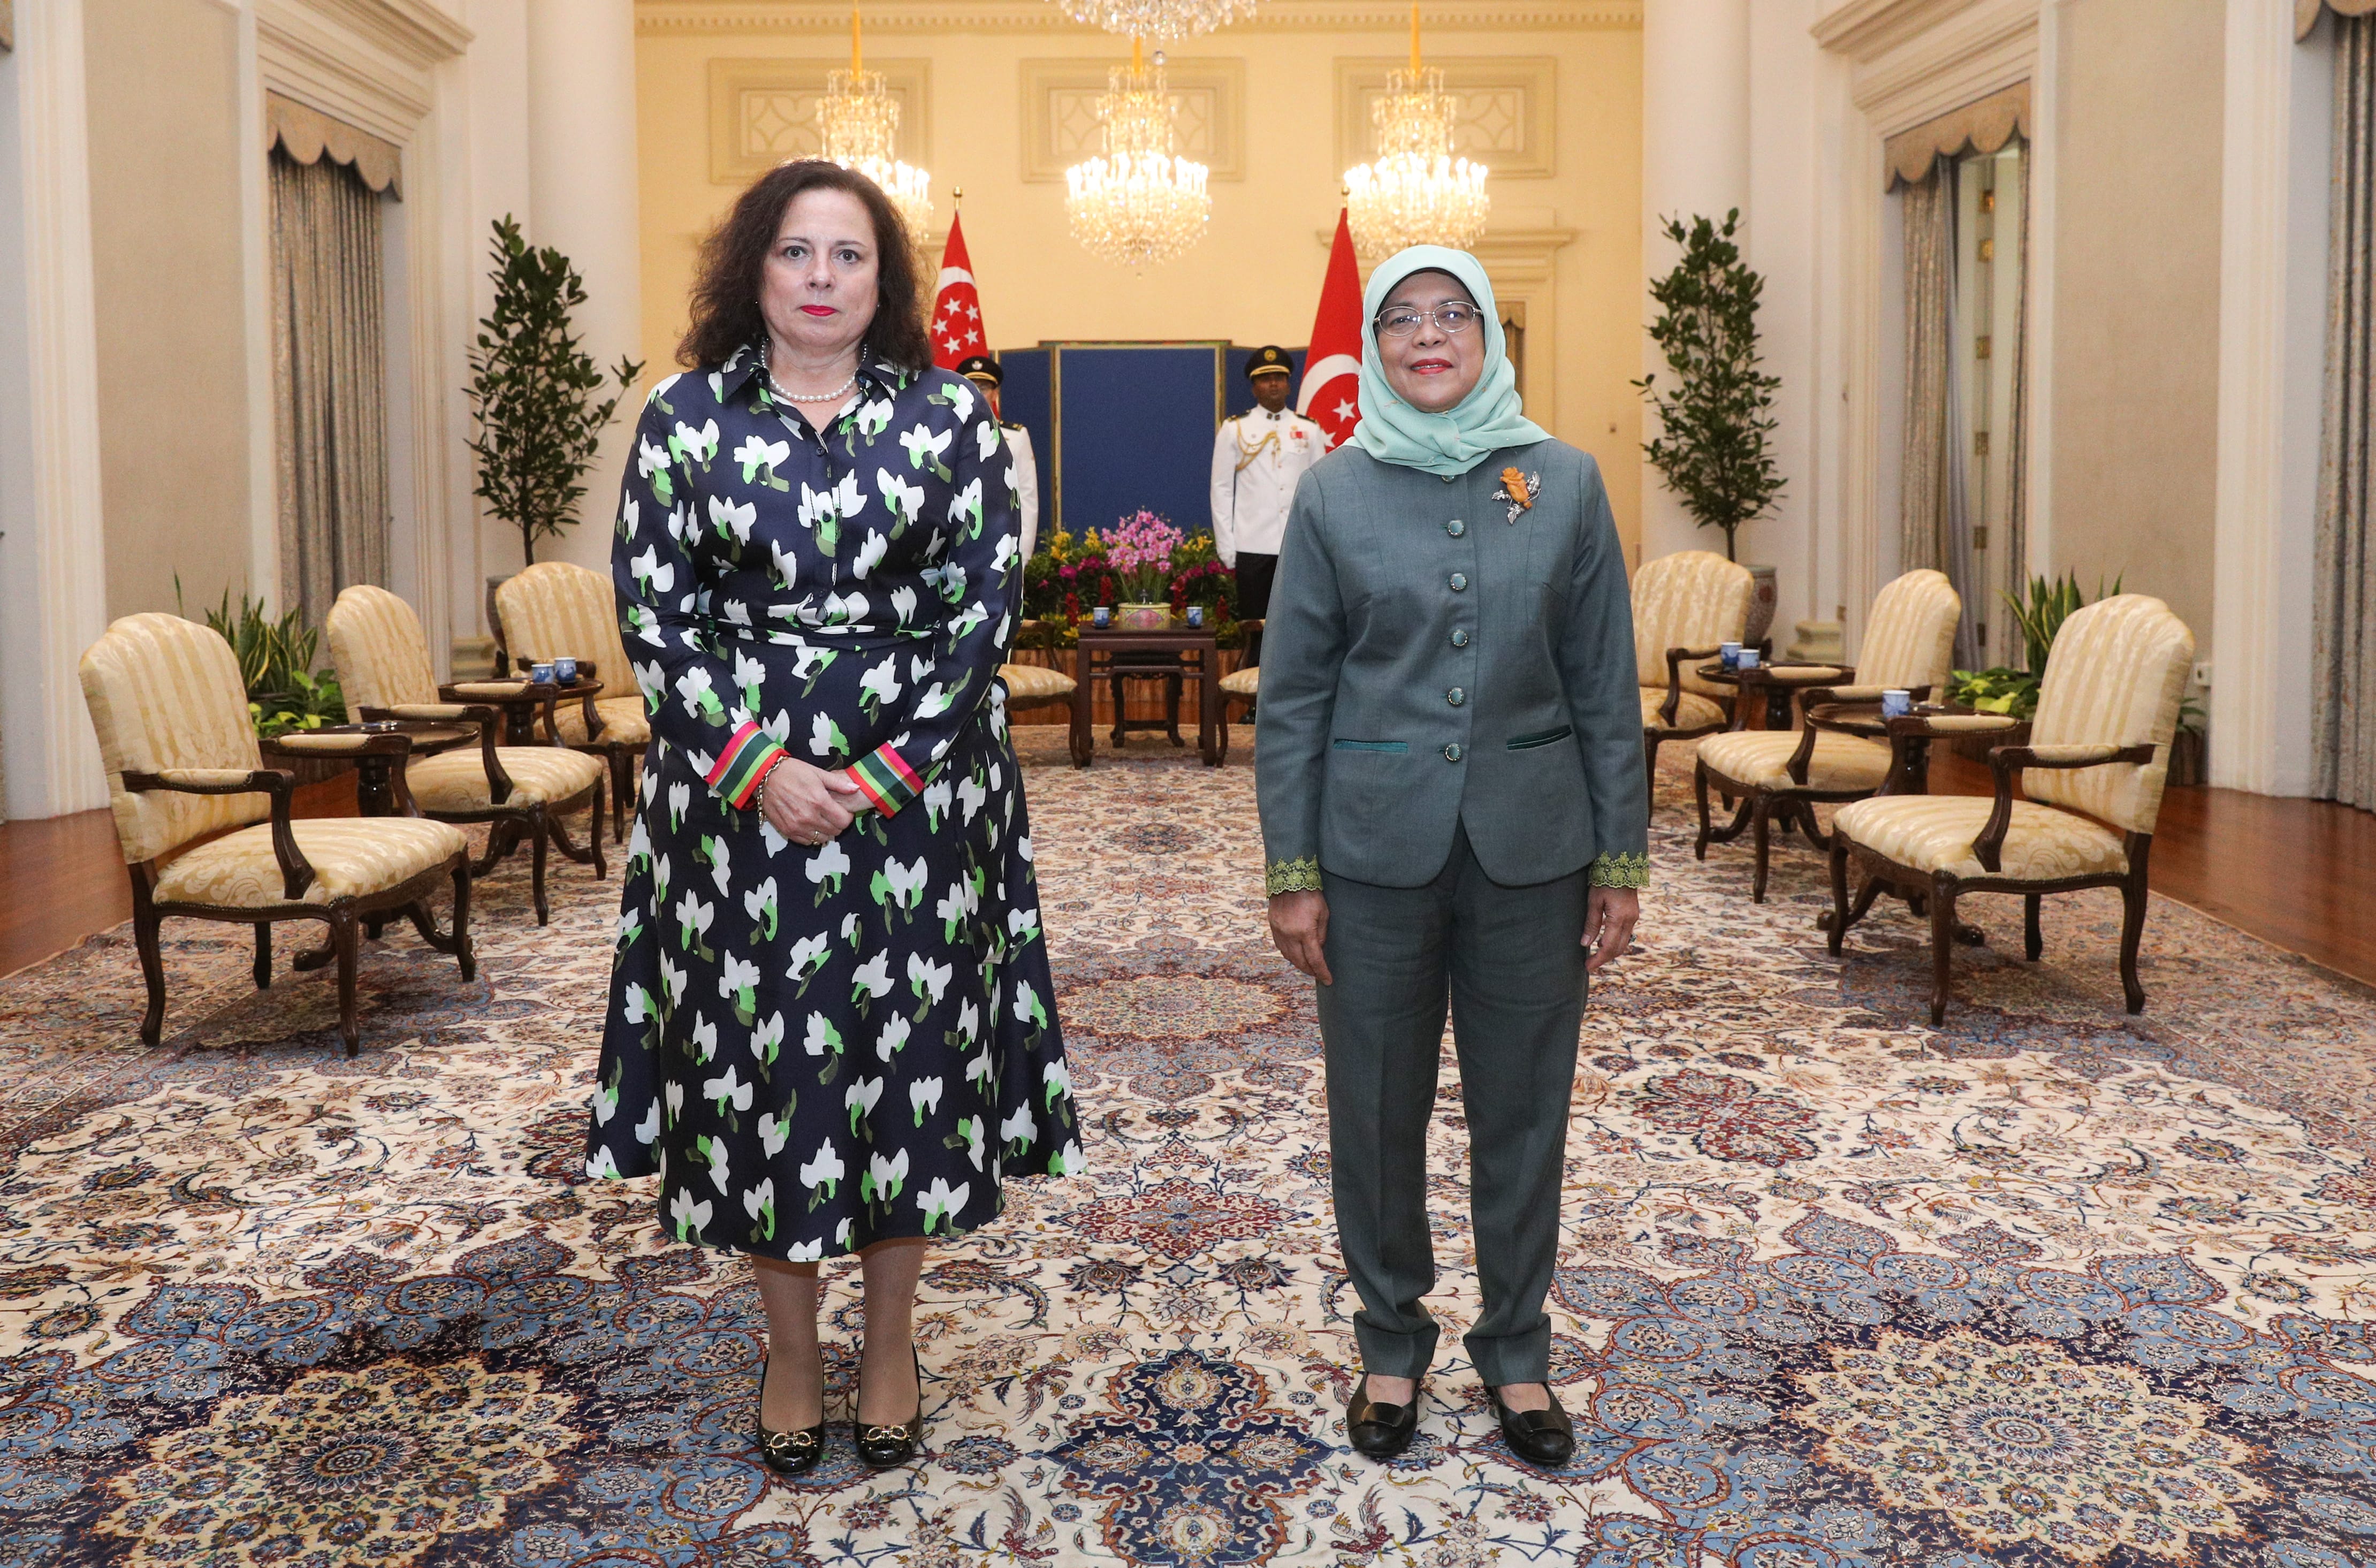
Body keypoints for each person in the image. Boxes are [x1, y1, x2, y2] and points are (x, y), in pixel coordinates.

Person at [583, 159, 1080, 1476]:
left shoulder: (951, 416)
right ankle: (793, 1352)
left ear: (883, 279)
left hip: (921, 804)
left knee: (907, 1070)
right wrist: (757, 765)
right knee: (770, 1074)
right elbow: (653, 611)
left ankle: (891, 1345)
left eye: (848, 255)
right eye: (796, 252)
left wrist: (890, 767)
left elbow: (986, 603)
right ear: (753, 266)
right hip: (737, 814)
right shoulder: (684, 415)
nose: (821, 277)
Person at [1254, 246, 1647, 1467]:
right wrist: (1292, 871)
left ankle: (1517, 1349)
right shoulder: (1333, 491)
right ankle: (1390, 1343)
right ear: (1375, 348)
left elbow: (1604, 683)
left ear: (1489, 337)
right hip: (1372, 854)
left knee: (1523, 1111)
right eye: (1403, 319)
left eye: (1453, 314)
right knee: (1376, 1110)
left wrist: (1620, 859)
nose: (1428, 335)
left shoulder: (1566, 480)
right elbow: (1293, 696)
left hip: (1536, 853)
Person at [1211, 345, 1324, 671]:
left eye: (1279, 377)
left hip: (1299, 544)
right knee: (1256, 633)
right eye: (1265, 379)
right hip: (1253, 545)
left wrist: (1321, 543)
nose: (1273, 384)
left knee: (1299, 627)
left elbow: (1321, 490)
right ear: (1254, 387)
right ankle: (1255, 693)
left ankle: (1297, 691)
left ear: (1289, 385)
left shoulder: (1310, 429)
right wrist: (1228, 547)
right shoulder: (1235, 429)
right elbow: (1221, 489)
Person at [956, 353, 1040, 560]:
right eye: (971, 387)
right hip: (956, 542)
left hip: (1000, 544)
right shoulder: (947, 435)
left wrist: (1022, 556)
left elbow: (1026, 497)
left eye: (984, 388)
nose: (978, 393)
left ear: (995, 394)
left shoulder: (1016, 437)